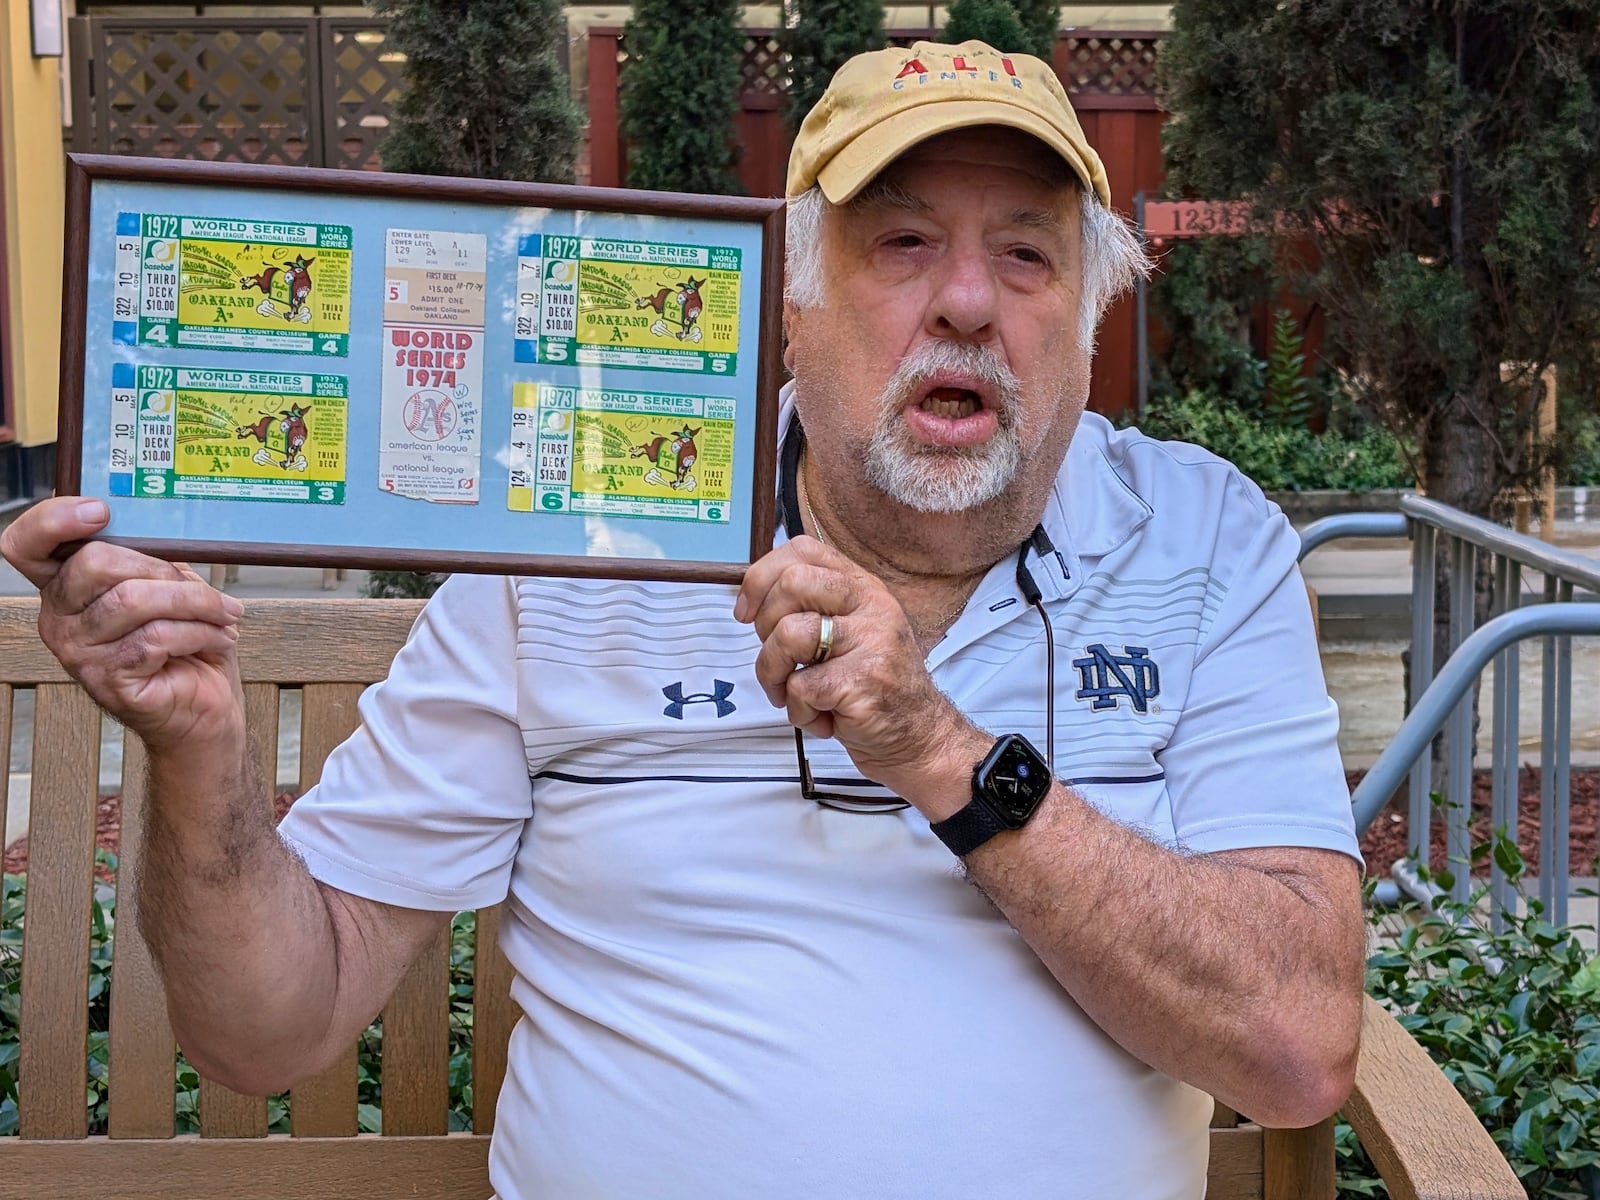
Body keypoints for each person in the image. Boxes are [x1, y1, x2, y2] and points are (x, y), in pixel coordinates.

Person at [2, 39, 1364, 1200]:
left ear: (1085, 322)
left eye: (1026, 255)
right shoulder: (581, 538)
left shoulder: (1205, 540)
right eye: (902, 243)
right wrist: (194, 751)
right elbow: (266, 1030)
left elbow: (1297, 1048)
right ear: (794, 305)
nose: (965, 301)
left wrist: (943, 755)